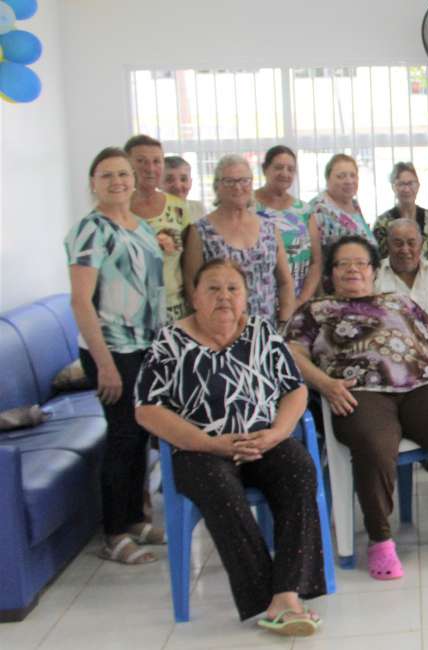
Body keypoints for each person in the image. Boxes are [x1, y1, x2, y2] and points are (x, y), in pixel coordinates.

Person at [134, 259, 326, 633]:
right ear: (194, 297)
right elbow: (146, 409)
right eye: (213, 289)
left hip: (262, 439)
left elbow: (295, 389)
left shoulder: (262, 333)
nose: (224, 296)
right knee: (221, 489)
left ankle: (286, 592)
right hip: (200, 447)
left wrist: (277, 432)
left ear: (246, 297)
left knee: (299, 469)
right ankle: (268, 595)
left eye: (232, 289)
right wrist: (208, 443)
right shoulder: (169, 340)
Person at [285, 236, 428, 581]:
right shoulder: (315, 310)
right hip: (359, 392)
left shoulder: (401, 302)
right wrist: (325, 384)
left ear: (374, 271)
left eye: (360, 263)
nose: (352, 270)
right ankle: (380, 539)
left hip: (420, 385)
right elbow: (294, 354)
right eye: (343, 264)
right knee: (375, 445)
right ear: (331, 274)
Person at [66, 147, 167, 565]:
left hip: (145, 345)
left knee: (141, 434)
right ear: (93, 182)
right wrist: (104, 363)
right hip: (112, 349)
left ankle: (134, 519)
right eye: (107, 175)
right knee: (122, 437)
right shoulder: (90, 230)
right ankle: (113, 533)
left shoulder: (140, 227)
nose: (118, 182)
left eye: (124, 174)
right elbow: (80, 301)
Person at [182, 154, 295, 326]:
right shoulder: (200, 231)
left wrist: (284, 324)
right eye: (229, 181)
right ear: (217, 186)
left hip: (266, 331)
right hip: (220, 331)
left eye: (244, 181)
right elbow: (192, 287)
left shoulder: (269, 228)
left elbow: (285, 282)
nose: (238, 187)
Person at [126, 135, 195, 322]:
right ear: (127, 164)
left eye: (156, 161)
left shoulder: (179, 208)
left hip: (174, 309)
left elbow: (190, 264)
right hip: (129, 313)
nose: (150, 168)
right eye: (141, 161)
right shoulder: (117, 209)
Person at [303, 154, 374, 305]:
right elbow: (315, 262)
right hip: (334, 297)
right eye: (341, 176)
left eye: (352, 175)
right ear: (328, 180)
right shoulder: (317, 209)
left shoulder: (354, 206)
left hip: (361, 291)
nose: (349, 181)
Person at [374, 219, 428, 327]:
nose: (405, 249)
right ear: (388, 245)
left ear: (421, 245)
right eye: (398, 244)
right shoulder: (373, 276)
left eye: (411, 243)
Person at [254, 145, 314, 301]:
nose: (285, 173)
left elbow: (316, 263)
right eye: (279, 167)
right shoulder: (247, 206)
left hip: (299, 299)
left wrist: (300, 301)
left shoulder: (304, 211)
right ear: (265, 169)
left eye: (290, 169)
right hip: (259, 300)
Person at [372, 162, 428, 263]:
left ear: (418, 185)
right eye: (401, 184)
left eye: (411, 183)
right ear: (393, 187)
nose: (406, 189)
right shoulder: (382, 222)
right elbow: (377, 259)